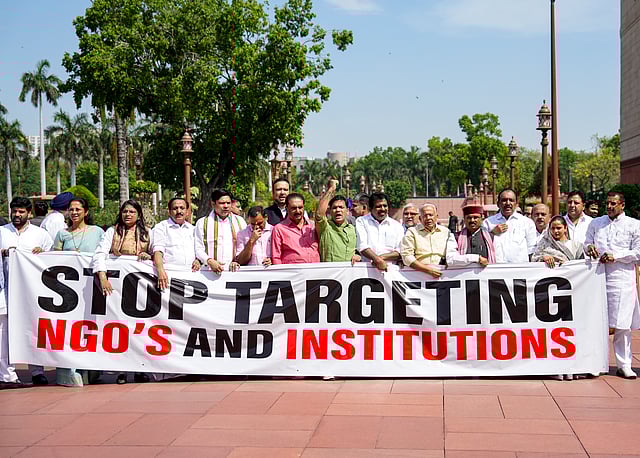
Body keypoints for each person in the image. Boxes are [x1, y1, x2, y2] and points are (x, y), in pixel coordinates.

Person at [92, 199, 152, 384]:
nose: (128, 215)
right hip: (116, 287)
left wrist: (148, 256)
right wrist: (103, 277)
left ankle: (140, 368)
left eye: (132, 212)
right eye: (125, 211)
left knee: (140, 328)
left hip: (141, 288)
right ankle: (121, 370)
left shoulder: (148, 233)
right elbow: (100, 254)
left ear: (138, 215)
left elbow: (158, 254)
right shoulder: (112, 231)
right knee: (119, 328)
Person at [585, 191, 640, 379]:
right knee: (598, 323)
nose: (609, 207)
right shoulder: (596, 223)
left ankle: (624, 365)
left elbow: (638, 253)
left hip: (621, 280)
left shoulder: (634, 225)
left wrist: (616, 256)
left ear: (622, 205)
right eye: (607, 203)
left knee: (622, 326)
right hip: (598, 278)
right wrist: (589, 248)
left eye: (613, 204)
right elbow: (587, 243)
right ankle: (598, 363)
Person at [0, 197, 53, 385]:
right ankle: (7, 375)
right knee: (4, 333)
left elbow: (53, 260)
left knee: (33, 329)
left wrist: (43, 254)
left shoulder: (41, 235)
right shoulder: (2, 232)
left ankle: (37, 371)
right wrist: (3, 253)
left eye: (21, 211)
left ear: (29, 213)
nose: (17, 214)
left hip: (32, 291)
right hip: (5, 290)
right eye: (14, 211)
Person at [52, 198, 105, 386]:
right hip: (67, 292)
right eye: (71, 209)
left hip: (91, 287)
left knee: (90, 327)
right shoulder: (62, 234)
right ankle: (68, 371)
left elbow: (104, 255)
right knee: (69, 328)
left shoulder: (97, 232)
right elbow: (53, 259)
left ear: (86, 212)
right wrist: (40, 252)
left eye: (78, 209)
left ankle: (91, 369)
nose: (74, 212)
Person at [152, 197, 201, 291]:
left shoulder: (193, 229)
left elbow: (199, 250)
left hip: (191, 277)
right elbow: (158, 251)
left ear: (187, 211)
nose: (179, 211)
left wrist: (198, 260)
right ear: (169, 212)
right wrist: (160, 272)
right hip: (168, 277)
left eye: (182, 208)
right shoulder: (161, 227)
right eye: (175, 208)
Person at [195, 189, 246, 273]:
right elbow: (198, 248)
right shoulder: (202, 223)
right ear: (213, 204)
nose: (226, 206)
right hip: (209, 272)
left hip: (235, 272)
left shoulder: (240, 221)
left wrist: (238, 261)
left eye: (228, 203)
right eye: (222, 203)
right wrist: (209, 261)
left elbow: (244, 246)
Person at [401, 203, 456, 278]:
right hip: (419, 275)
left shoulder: (446, 232)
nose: (428, 218)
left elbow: (452, 253)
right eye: (425, 216)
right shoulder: (412, 232)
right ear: (420, 218)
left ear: (436, 217)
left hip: (443, 275)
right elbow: (407, 257)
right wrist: (428, 270)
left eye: (431, 215)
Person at [483, 189, 537, 263]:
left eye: (511, 200)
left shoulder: (527, 223)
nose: (508, 203)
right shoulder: (488, 223)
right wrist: (492, 234)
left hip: (520, 268)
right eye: (504, 200)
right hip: (495, 267)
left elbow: (532, 249)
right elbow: (481, 246)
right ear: (498, 204)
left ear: (516, 204)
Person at [356, 192, 404, 271]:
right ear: (370, 208)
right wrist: (377, 260)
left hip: (391, 270)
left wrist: (379, 259)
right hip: (367, 270)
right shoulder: (362, 221)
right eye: (378, 206)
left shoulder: (397, 226)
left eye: (385, 206)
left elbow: (400, 251)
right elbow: (362, 246)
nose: (383, 209)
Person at [315, 180, 359, 263]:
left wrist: (358, 255)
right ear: (329, 211)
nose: (338, 210)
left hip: (350, 270)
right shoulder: (325, 227)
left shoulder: (353, 229)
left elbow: (359, 249)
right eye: (334, 208)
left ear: (347, 211)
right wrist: (331, 189)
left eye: (341, 207)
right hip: (330, 271)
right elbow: (319, 214)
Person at [272, 193, 320, 264]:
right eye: (294, 208)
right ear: (287, 208)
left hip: (315, 269)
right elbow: (276, 257)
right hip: (292, 270)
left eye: (300, 207)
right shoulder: (279, 229)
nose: (297, 211)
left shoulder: (313, 226)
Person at [447, 202, 496, 267]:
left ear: (481, 219)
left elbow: (499, 259)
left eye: (475, 217)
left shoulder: (492, 237)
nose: (472, 220)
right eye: (469, 218)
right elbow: (450, 259)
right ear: (464, 219)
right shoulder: (455, 237)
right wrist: (475, 258)